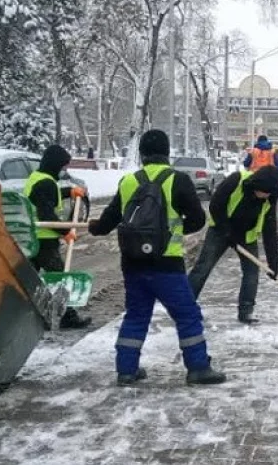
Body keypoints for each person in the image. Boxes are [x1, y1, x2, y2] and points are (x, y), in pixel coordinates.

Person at [88, 129, 225, 386]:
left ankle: (126, 370)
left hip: (132, 264)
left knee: (136, 314)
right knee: (187, 315)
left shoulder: (128, 181)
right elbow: (197, 219)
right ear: (166, 153)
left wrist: (95, 227)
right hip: (167, 265)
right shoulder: (178, 180)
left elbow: (108, 221)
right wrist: (174, 230)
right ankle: (197, 368)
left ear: (142, 155)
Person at [189, 165, 278, 324]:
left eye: (269, 192)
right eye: (264, 191)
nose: (266, 195)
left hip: (246, 237)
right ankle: (185, 305)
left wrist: (273, 263)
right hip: (220, 230)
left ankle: (246, 311)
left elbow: (270, 231)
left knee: (252, 272)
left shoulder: (269, 199)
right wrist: (226, 231)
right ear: (257, 185)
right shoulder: (236, 180)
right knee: (203, 267)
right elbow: (215, 205)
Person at [25, 144, 90, 329]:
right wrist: (65, 232)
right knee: (62, 278)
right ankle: (67, 317)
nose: (64, 171)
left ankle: (25, 314)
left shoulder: (37, 178)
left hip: (32, 239)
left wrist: (68, 192)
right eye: (63, 167)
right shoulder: (45, 182)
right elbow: (46, 213)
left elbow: (43, 197)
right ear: (55, 165)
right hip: (44, 241)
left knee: (29, 280)